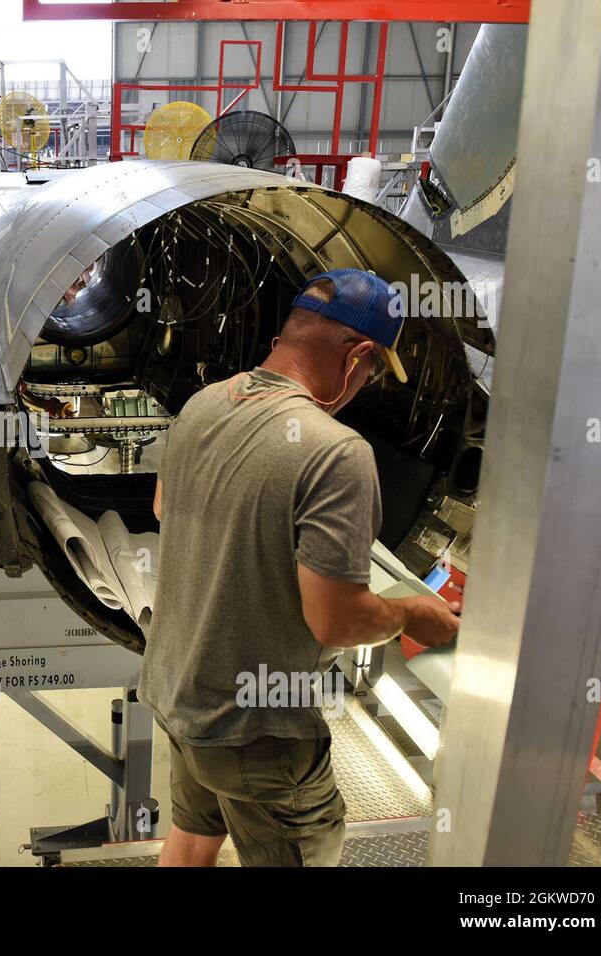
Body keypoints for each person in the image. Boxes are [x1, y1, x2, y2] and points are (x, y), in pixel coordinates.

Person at [140, 268, 461, 867]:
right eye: (370, 371)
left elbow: (166, 507)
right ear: (357, 354)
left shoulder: (204, 403)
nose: (364, 384)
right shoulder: (336, 451)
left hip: (178, 692)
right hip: (257, 730)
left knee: (190, 843)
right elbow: (336, 622)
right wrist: (416, 615)